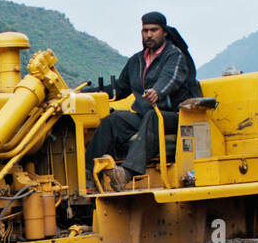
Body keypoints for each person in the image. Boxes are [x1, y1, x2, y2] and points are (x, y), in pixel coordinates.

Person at [84, 12, 201, 188]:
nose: (149, 34)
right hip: (145, 115)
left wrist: (158, 92)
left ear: (165, 32)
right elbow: (118, 89)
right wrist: (84, 93)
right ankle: (88, 175)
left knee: (152, 117)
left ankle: (126, 174)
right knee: (112, 121)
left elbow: (171, 78)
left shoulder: (175, 56)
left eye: (154, 30)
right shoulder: (136, 61)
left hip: (174, 117)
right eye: (145, 30)